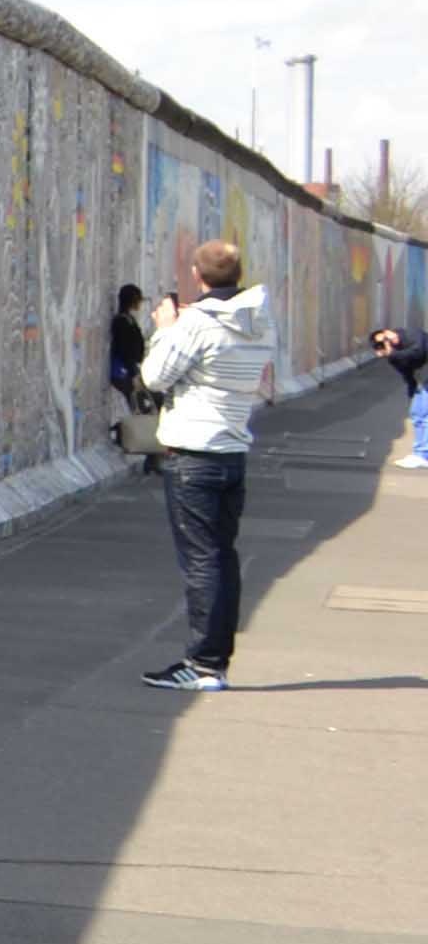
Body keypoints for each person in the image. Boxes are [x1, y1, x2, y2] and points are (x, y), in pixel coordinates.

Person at [135, 239, 275, 691]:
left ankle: (204, 665)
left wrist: (165, 329)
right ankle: (215, 660)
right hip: (232, 451)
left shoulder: (196, 322)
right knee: (222, 558)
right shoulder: (258, 318)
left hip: (193, 453)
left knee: (201, 562)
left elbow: (155, 376)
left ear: (197, 276)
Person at [108, 284, 156, 474]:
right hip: (124, 372)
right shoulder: (122, 322)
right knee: (142, 409)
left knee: (141, 408)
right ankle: (128, 439)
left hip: (129, 370)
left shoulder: (127, 319)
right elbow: (124, 350)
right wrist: (133, 374)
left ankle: (148, 454)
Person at [376, 320, 428, 472]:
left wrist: (393, 353)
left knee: (422, 414)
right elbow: (406, 372)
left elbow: (418, 351)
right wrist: (412, 388)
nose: (389, 341)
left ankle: (422, 454)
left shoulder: (414, 334)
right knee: (418, 414)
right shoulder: (395, 355)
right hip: (423, 380)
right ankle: (421, 454)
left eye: (387, 338)